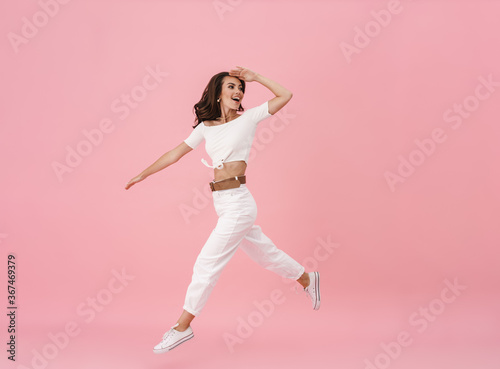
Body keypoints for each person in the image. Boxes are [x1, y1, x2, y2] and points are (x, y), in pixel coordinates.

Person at [125, 66, 320, 354]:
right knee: (265, 253)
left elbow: (285, 94)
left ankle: (182, 327)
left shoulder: (249, 118)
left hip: (239, 203)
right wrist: (143, 174)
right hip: (223, 202)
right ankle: (306, 278)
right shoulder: (206, 127)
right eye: (231, 86)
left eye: (240, 88)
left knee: (206, 264)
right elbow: (175, 154)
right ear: (217, 93)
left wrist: (256, 77)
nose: (238, 91)